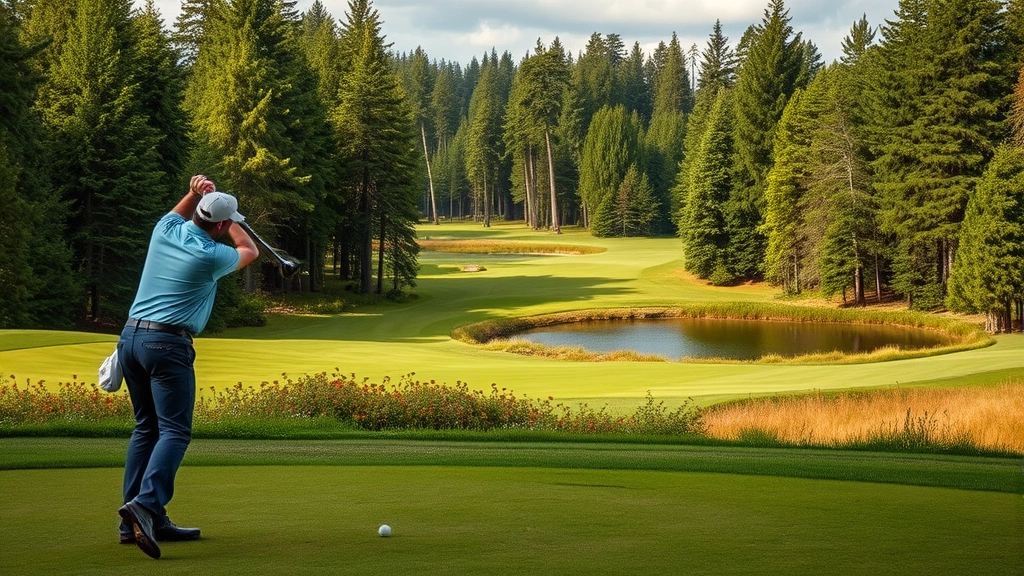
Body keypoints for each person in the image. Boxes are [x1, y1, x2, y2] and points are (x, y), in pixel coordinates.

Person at [116, 175, 258, 559]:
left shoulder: (165, 229)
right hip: (167, 344)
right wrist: (236, 224)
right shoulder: (212, 256)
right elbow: (249, 251)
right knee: (175, 431)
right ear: (222, 225)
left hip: (130, 339)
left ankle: (140, 520)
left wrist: (197, 192)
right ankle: (145, 507)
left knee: (147, 427)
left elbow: (183, 212)